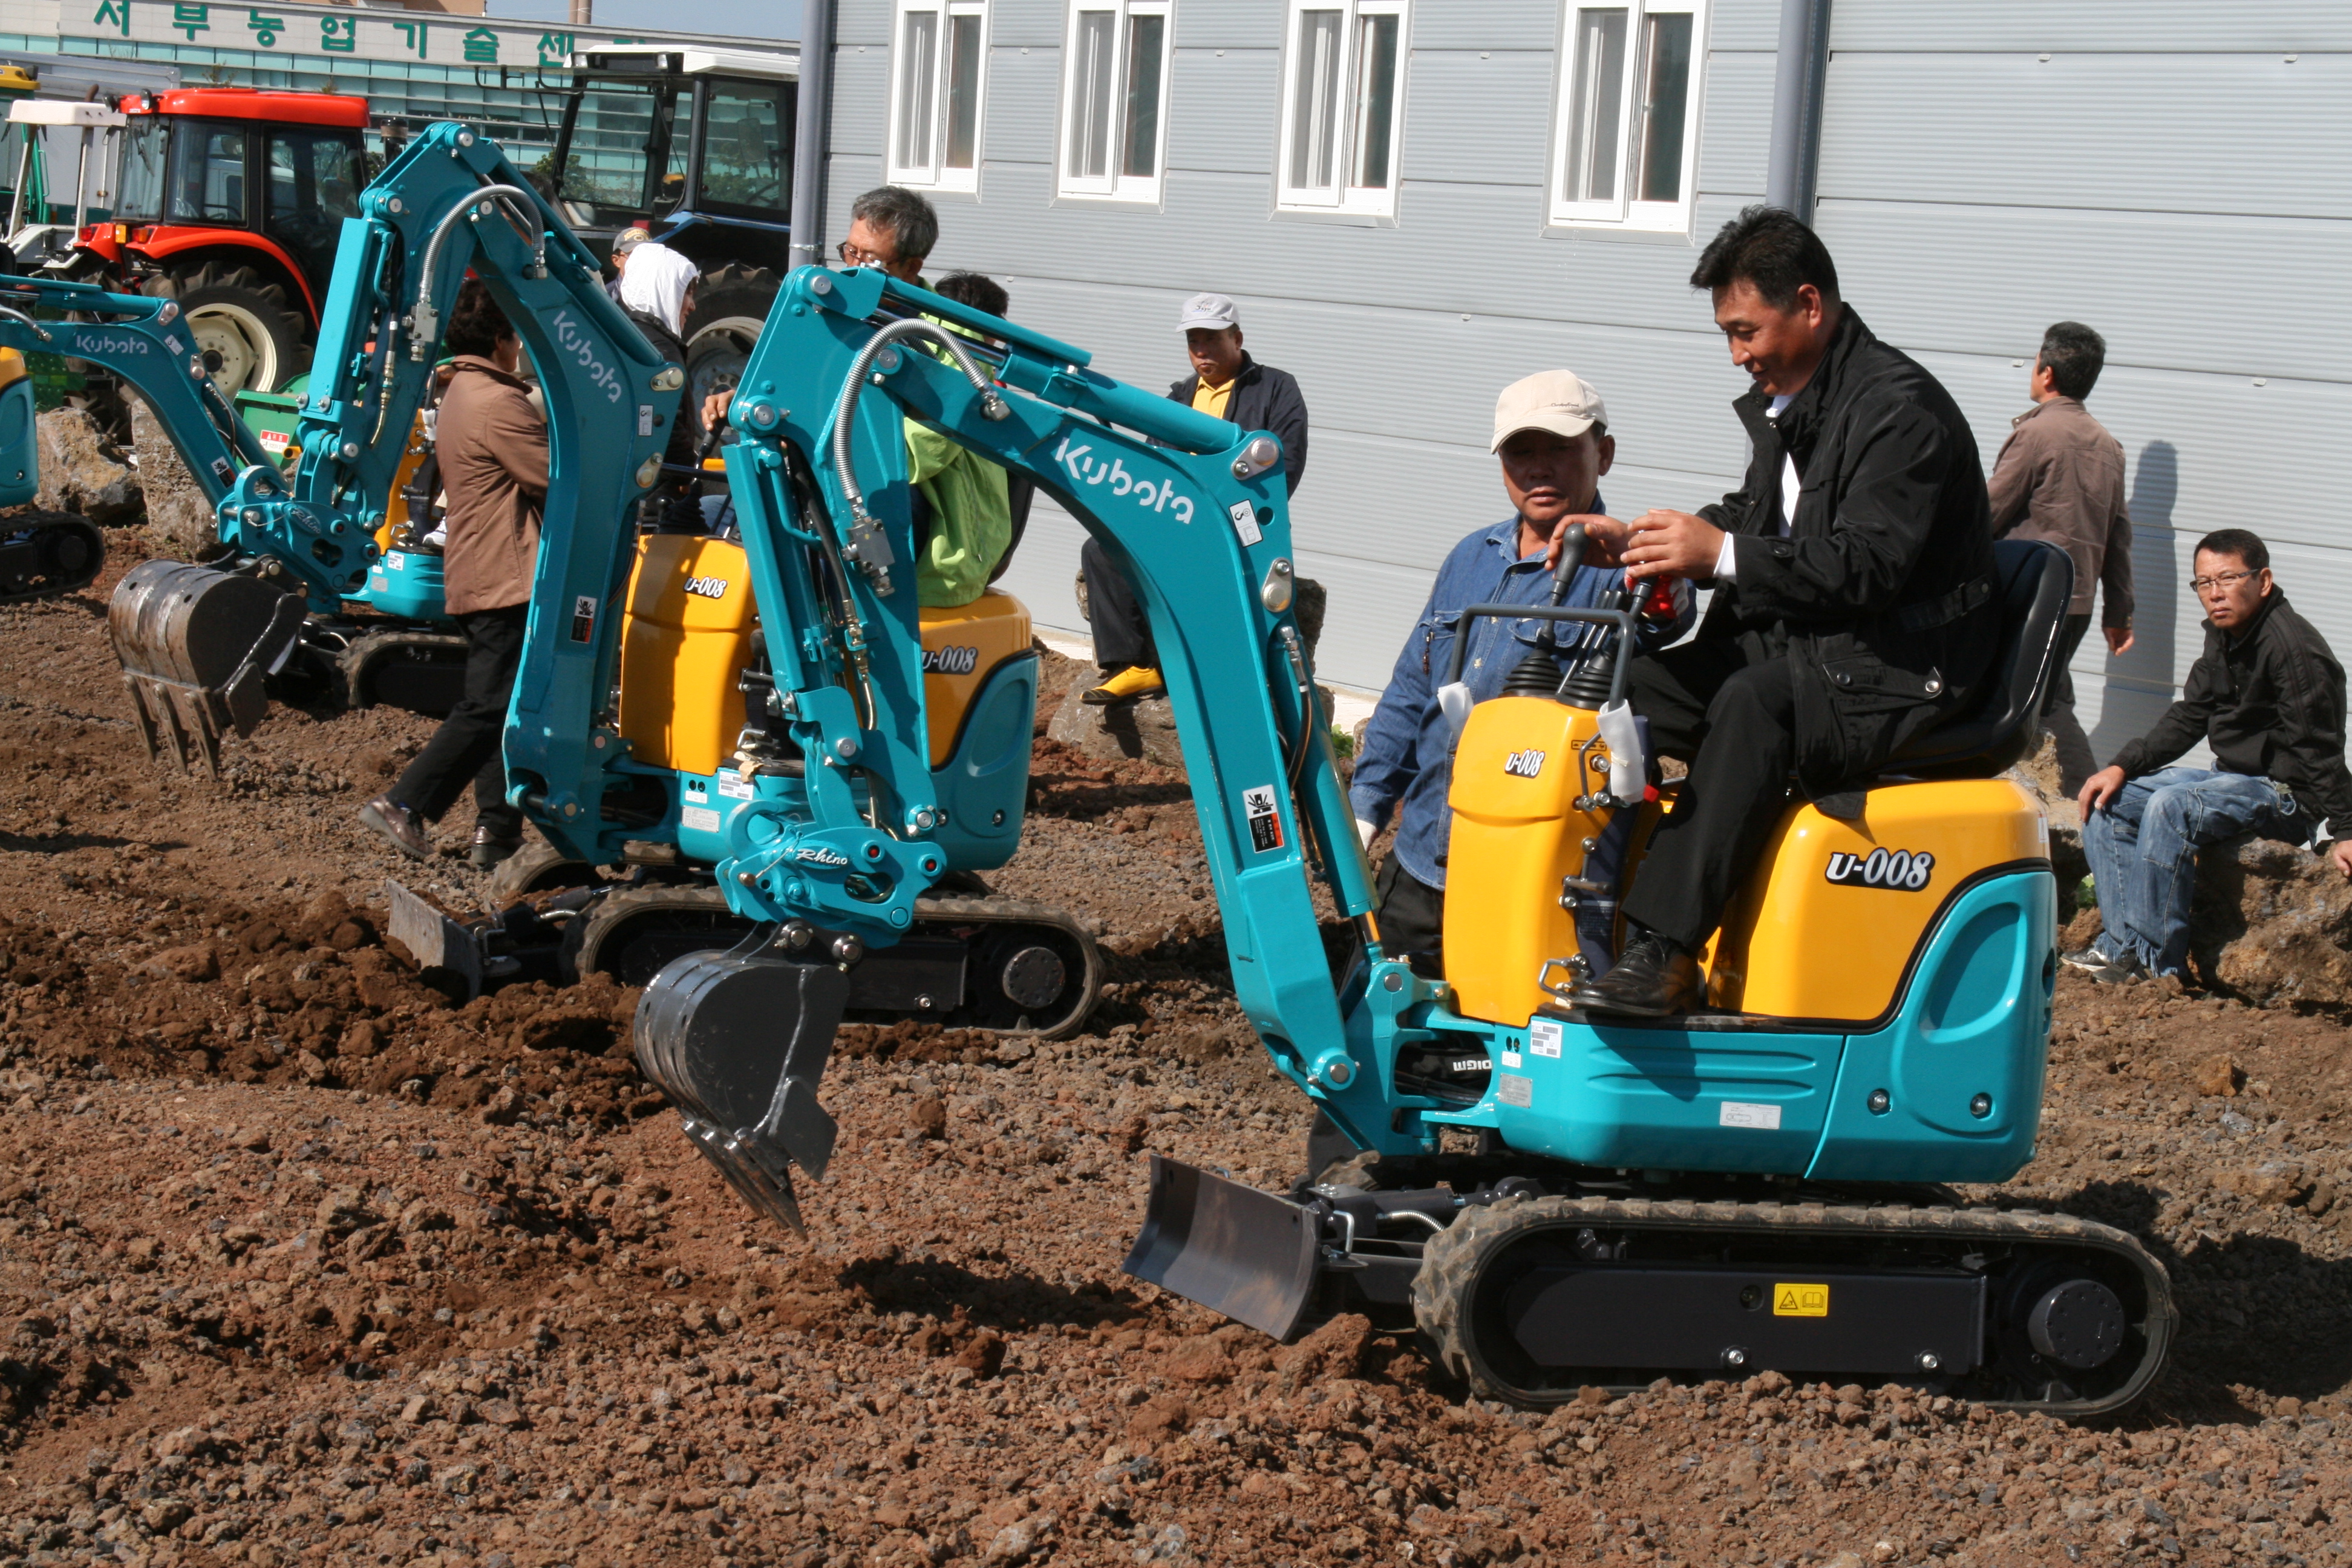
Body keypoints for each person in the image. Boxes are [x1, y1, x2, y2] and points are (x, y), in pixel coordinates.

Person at [1563, 206, 2000, 1018]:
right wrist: (1645, 540)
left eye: (1746, 331)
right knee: (1630, 691)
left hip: (1906, 666)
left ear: (1808, 304)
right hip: (1827, 644)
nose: (1738, 355)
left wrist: (1718, 554)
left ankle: (1664, 953)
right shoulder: (1797, 401)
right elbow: (1762, 519)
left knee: (1755, 702)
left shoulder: (1900, 413)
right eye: (1728, 335)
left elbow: (1864, 568)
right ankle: (1572, 912)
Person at [1349, 371, 1691, 972]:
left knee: (1500, 1052)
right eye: (1521, 451)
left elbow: (1669, 609)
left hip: (1530, 876)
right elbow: (1411, 690)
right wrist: (1368, 805)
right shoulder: (1469, 558)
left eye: (1560, 449)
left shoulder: (1622, 571)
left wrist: (1644, 558)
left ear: (1602, 455)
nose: (1539, 468)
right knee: (1383, 1031)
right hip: (1424, 854)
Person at [2071, 531, 2352, 985]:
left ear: (2263, 581)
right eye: (2203, 583)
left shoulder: (2293, 650)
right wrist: (2121, 765)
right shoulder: (2225, 636)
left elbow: (2317, 748)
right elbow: (2190, 715)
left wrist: (2347, 830)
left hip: (2284, 797)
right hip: (2233, 782)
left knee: (2171, 806)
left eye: (2227, 578)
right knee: (2109, 800)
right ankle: (2120, 947)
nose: (2214, 593)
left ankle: (2156, 966)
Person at [358, 281, 549, 869]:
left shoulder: (459, 391)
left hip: (474, 567)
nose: (518, 349)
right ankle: (405, 804)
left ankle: (497, 833)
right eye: (514, 338)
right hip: (505, 572)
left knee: (502, 708)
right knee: (488, 706)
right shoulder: (499, 402)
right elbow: (550, 479)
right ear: (499, 339)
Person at [1079, 292, 1310, 705]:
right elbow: (1152, 465)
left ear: (1237, 338)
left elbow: (1284, 463)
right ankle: (1136, 666)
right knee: (1101, 550)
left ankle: (1229, 671)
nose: (1202, 352)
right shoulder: (1179, 398)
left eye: (1212, 340)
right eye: (1194, 343)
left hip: (1241, 521)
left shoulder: (1276, 388)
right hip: (1176, 515)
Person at [1987, 320, 2134, 797]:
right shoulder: (2108, 447)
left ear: (2046, 373)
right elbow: (2119, 536)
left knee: (2038, 703)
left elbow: (1987, 514)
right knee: (2052, 695)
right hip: (2078, 602)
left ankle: (2089, 807)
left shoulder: (2037, 435)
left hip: (2030, 596)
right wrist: (2118, 613)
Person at [906, 270, 1014, 604]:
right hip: (962, 545)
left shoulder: (962, 367)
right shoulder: (935, 352)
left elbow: (916, 455)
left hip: (953, 552)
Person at [618, 241, 706, 529]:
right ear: (662, 287)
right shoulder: (660, 350)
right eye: (686, 293)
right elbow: (664, 424)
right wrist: (688, 473)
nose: (692, 306)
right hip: (661, 504)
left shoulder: (627, 337)